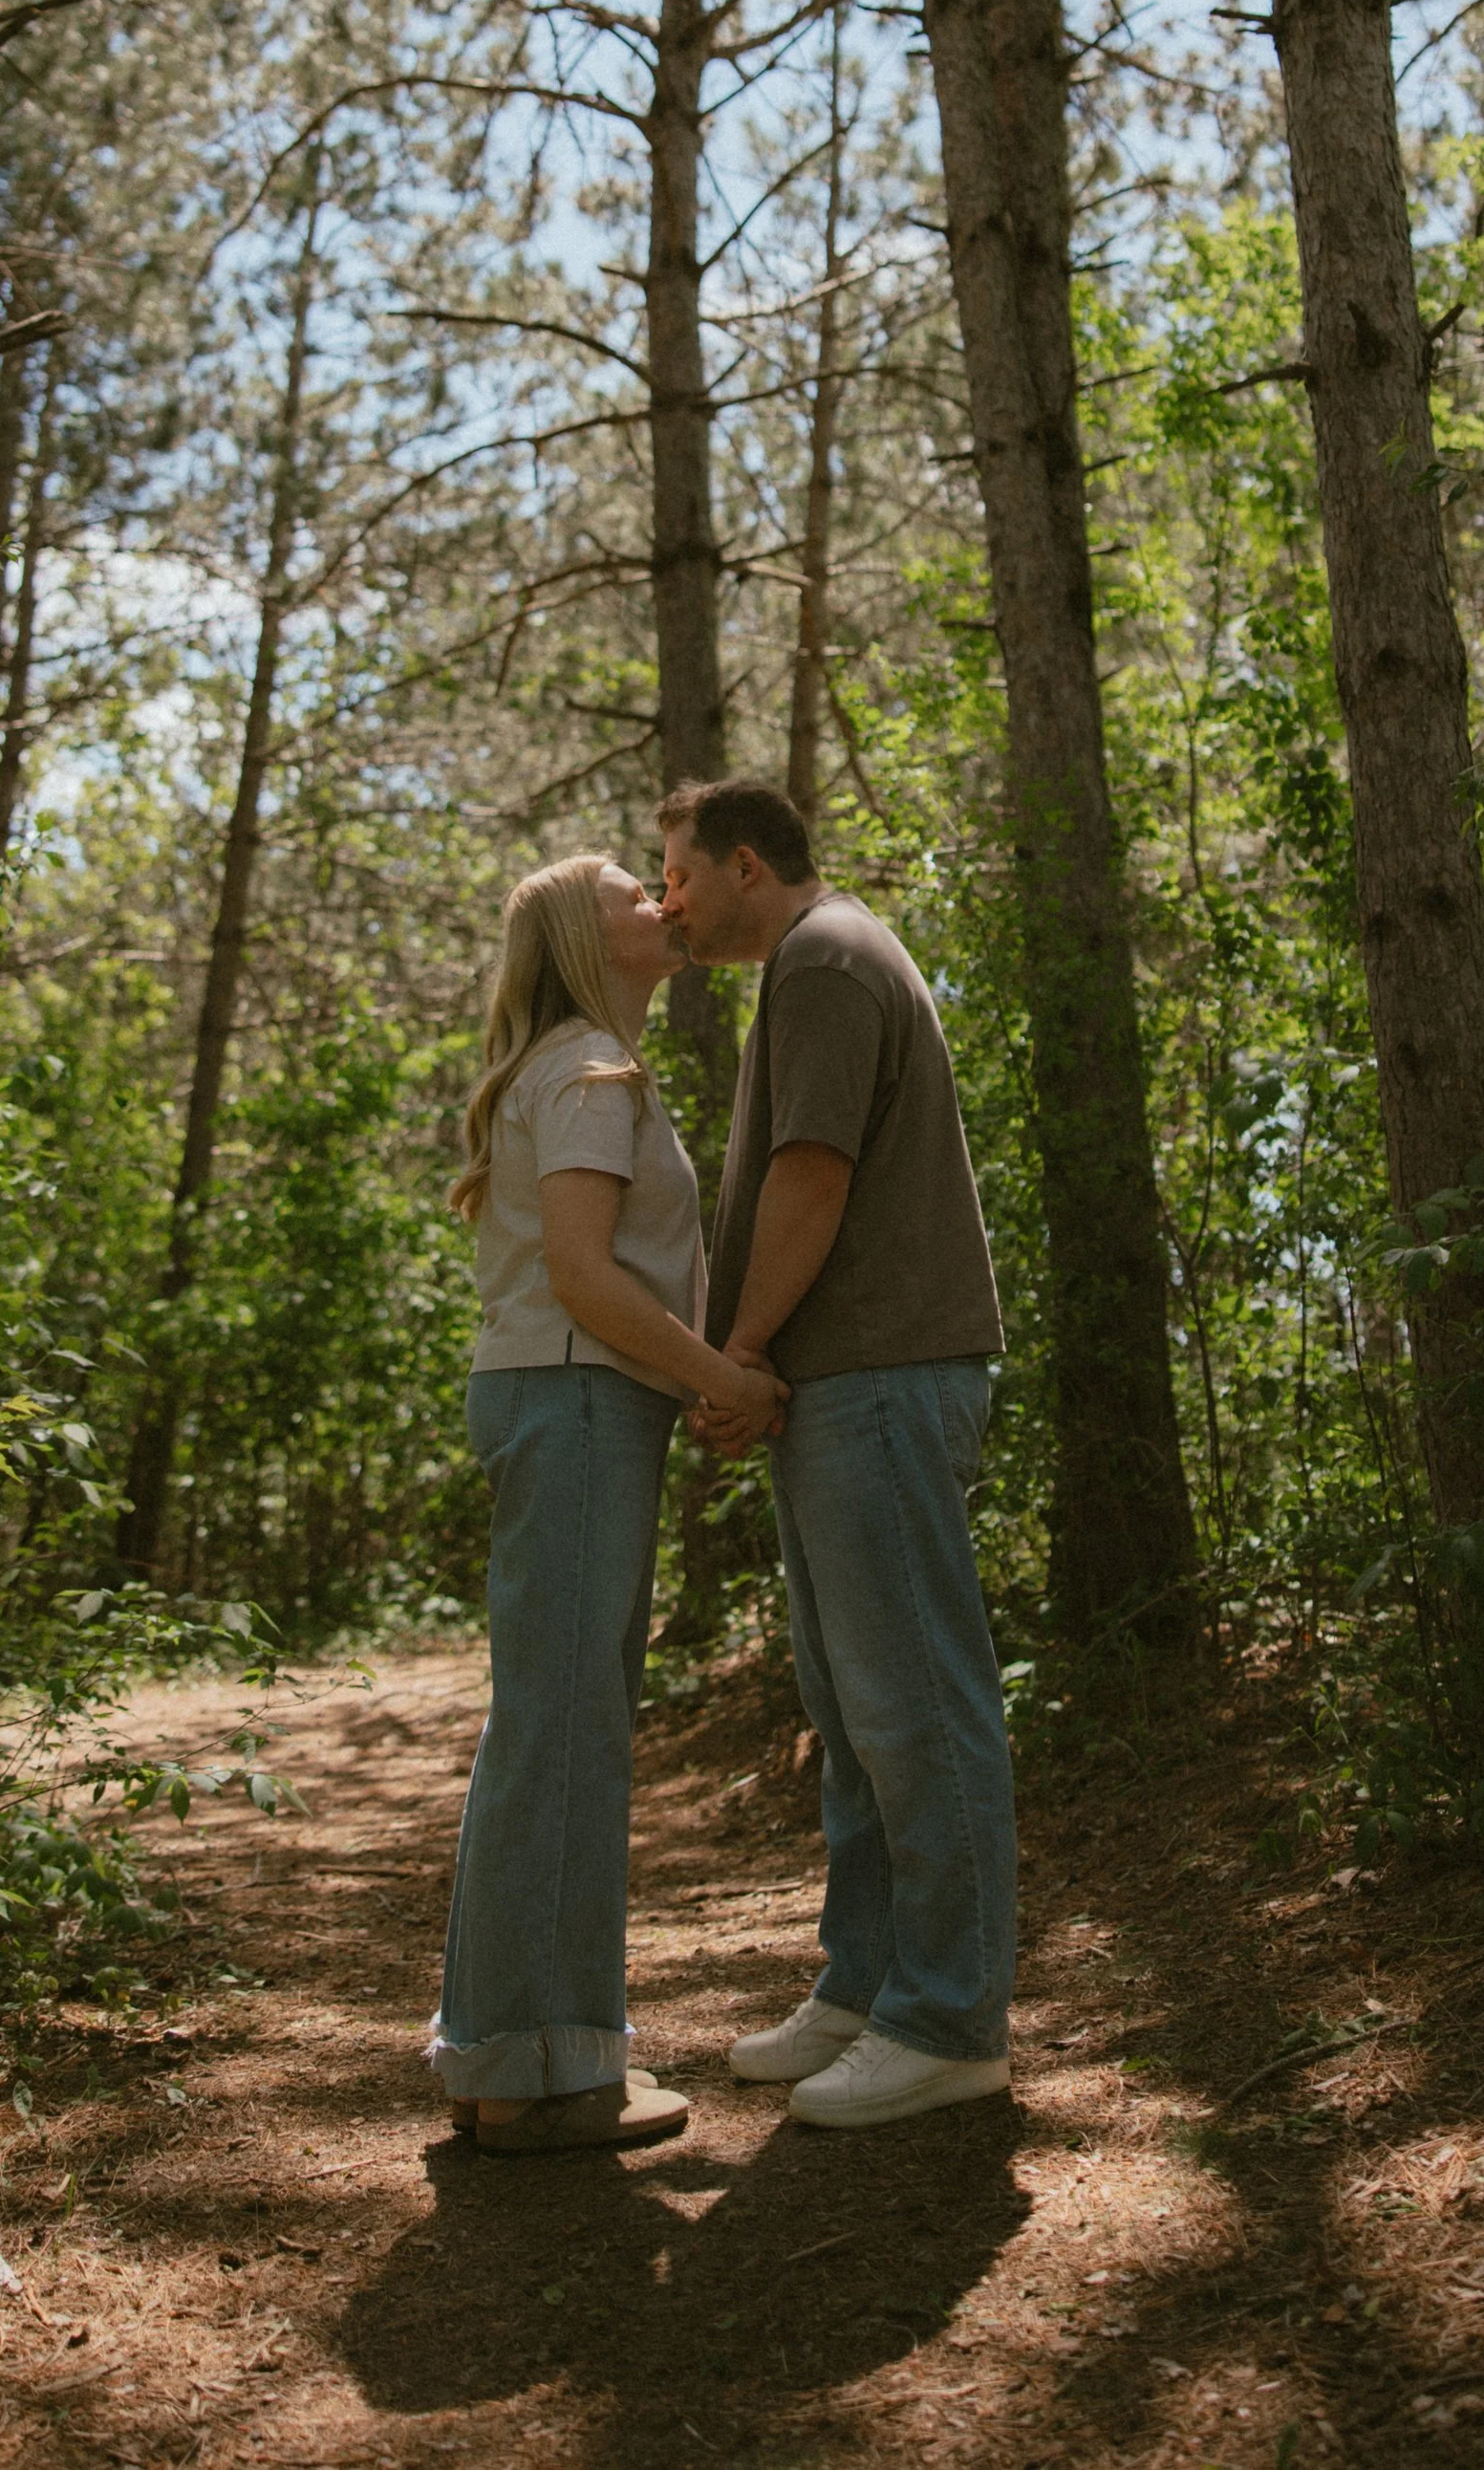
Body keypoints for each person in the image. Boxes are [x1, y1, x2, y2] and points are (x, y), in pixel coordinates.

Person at [656, 778, 1017, 2132]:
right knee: (857, 1710)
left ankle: (949, 2018)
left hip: (874, 1380)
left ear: (747, 862)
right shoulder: (815, 961)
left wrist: (739, 1356)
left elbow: (813, 1176)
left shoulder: (822, 958)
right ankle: (867, 1985)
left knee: (915, 1701)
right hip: (844, 1389)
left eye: (678, 874)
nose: (669, 902)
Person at [431, 851, 787, 2156]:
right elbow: (584, 1274)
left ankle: (499, 2057)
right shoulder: (589, 1071)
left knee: (545, 1725)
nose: (668, 901)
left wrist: (682, 1378)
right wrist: (723, 1378)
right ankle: (548, 2067)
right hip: (576, 1401)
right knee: (569, 1728)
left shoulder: (575, 1066)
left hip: (570, 1402)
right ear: (589, 939)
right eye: (641, 892)